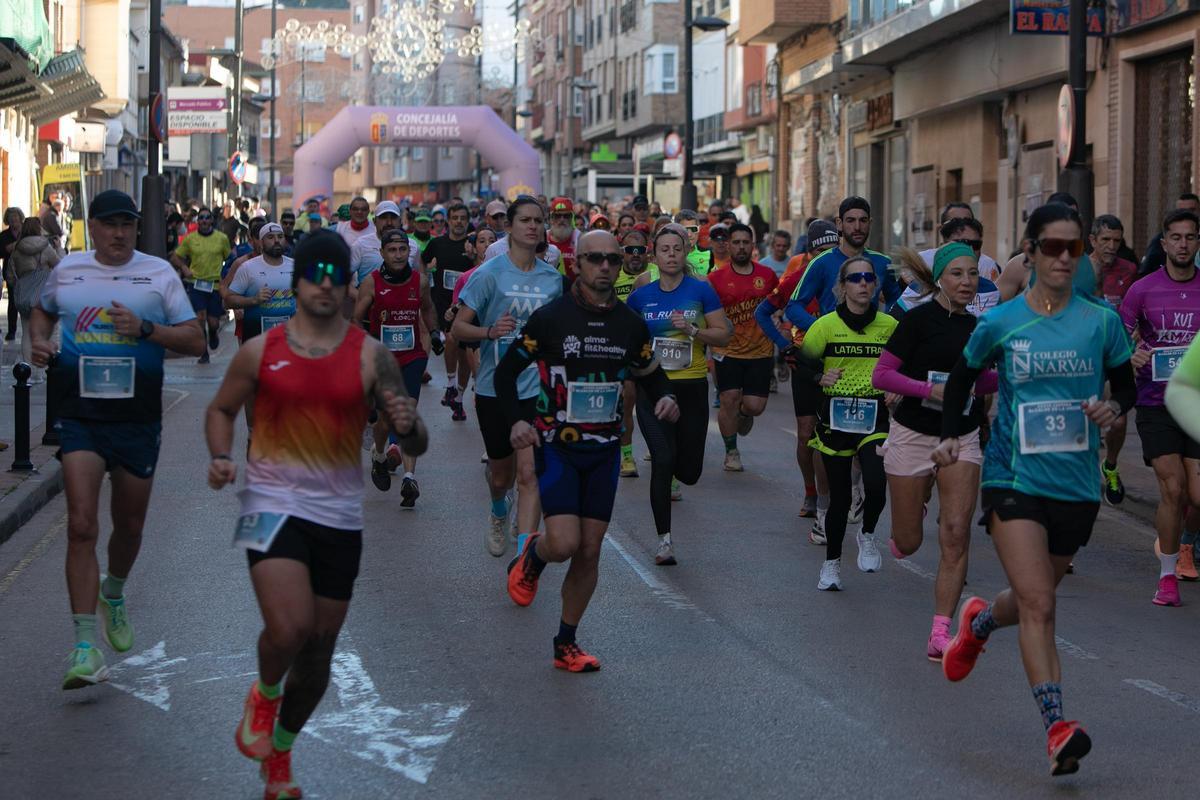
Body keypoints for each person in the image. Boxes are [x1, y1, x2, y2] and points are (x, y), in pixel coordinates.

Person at [206, 229, 427, 800]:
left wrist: (408, 425)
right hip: (269, 506)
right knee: (289, 628)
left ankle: (281, 750)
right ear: (298, 282)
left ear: (348, 285)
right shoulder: (261, 351)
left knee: (319, 649)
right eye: (314, 275)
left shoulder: (371, 356)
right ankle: (263, 694)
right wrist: (222, 456)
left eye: (336, 277)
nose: (326, 286)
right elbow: (222, 409)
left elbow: (416, 439)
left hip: (338, 518)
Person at [933, 202, 1136, 777]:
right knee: (1041, 604)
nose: (1064, 257)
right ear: (1030, 251)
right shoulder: (1001, 321)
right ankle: (1057, 728)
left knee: (1032, 596)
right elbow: (962, 380)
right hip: (1013, 477)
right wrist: (949, 437)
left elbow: (1124, 383)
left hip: (1076, 483)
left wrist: (1114, 408)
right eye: (1053, 246)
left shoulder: (1101, 322)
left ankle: (978, 623)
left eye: (1074, 247)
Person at [29, 190, 205, 690]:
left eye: (127, 224)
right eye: (109, 224)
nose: (119, 233)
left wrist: (146, 329)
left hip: (137, 420)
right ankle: (85, 646)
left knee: (128, 526)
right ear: (93, 227)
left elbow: (196, 339)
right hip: (81, 416)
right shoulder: (69, 270)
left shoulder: (158, 274)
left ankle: (114, 590)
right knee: (81, 525)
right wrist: (40, 341)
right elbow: (42, 310)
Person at [498, 230, 679, 671]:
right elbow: (506, 374)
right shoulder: (550, 319)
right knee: (563, 542)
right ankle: (533, 558)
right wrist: (518, 421)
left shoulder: (630, 324)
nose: (605, 266)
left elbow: (650, 371)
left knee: (590, 550)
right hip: (557, 446)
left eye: (612, 260)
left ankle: (566, 643)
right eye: (595, 258)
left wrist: (666, 396)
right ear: (576, 264)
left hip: (604, 450)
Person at [872, 244, 995, 660]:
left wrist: (1014, 373)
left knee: (956, 533)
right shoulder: (917, 320)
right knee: (907, 542)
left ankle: (941, 632)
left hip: (961, 435)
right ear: (940, 278)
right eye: (957, 273)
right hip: (913, 432)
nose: (966, 281)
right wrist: (930, 390)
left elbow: (983, 380)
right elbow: (882, 375)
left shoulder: (980, 327)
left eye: (973, 274)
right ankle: (916, 503)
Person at [451, 197, 565, 556]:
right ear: (510, 227)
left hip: (538, 388)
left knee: (530, 474)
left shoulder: (553, 280)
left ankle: (524, 560)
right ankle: (499, 509)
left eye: (538, 221)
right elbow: (457, 328)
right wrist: (489, 332)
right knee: (501, 476)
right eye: (524, 220)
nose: (532, 226)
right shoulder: (489, 274)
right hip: (495, 387)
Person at [627, 225, 731, 563]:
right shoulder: (640, 296)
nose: (671, 255)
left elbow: (724, 335)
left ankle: (678, 475)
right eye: (664, 249)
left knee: (689, 472)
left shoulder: (701, 291)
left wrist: (694, 330)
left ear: (685, 252)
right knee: (663, 459)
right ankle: (664, 541)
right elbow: (626, 339)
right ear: (654, 256)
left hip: (691, 388)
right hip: (653, 389)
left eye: (676, 249)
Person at [794, 256, 896, 590]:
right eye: (855, 278)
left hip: (874, 415)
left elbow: (905, 365)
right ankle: (832, 565)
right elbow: (803, 368)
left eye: (868, 277)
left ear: (876, 284)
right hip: (836, 417)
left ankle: (867, 533)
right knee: (839, 500)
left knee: (876, 484)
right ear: (842, 286)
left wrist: (897, 388)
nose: (863, 283)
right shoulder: (824, 326)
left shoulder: (889, 326)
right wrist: (820, 377)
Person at [1118, 208, 1200, 600]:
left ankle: (1184, 542)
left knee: (1196, 497)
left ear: (1198, 242)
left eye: (1190, 237)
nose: (1183, 244)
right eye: (1176, 237)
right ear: (1164, 242)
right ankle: (1167, 577)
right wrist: (1131, 354)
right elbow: (1117, 338)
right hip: (1156, 401)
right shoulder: (1142, 289)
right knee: (1173, 488)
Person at [755, 219, 840, 528]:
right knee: (807, 433)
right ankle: (811, 492)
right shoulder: (796, 279)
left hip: (843, 361)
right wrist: (785, 346)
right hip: (806, 361)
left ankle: (840, 492)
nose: (825, 257)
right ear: (807, 253)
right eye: (819, 252)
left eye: (832, 250)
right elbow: (762, 313)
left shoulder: (848, 274)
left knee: (841, 434)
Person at [353, 229, 440, 507]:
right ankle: (379, 454)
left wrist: (435, 332)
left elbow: (427, 308)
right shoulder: (371, 282)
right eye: (392, 250)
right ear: (382, 253)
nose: (398, 255)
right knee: (384, 421)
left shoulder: (419, 281)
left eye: (403, 249)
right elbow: (357, 319)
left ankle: (409, 478)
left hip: (412, 355)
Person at [704, 223, 779, 471]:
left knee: (755, 406)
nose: (741, 247)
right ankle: (731, 451)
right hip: (727, 350)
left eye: (745, 242)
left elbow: (779, 307)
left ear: (753, 246)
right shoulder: (715, 279)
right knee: (729, 399)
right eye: (736, 242)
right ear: (728, 245)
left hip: (760, 350)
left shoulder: (767, 276)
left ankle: (744, 414)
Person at [785, 197, 902, 332]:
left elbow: (895, 301)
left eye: (863, 220)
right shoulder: (821, 262)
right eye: (850, 220)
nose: (857, 227)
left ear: (870, 223)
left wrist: (885, 329)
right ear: (839, 224)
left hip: (871, 344)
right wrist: (822, 330)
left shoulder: (883, 262)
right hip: (832, 343)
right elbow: (793, 307)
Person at [1090, 214, 1138, 505]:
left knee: (1118, 422)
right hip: (1085, 354)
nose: (1111, 246)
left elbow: (1139, 308)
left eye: (1116, 241)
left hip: (1117, 354)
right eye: (1105, 239)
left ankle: (1110, 466)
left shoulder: (1129, 270)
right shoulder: (1079, 269)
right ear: (1092, 240)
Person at [422, 202, 474, 417]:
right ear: (448, 221)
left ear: (468, 221)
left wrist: (473, 256)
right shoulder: (436, 244)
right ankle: (451, 384)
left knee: (465, 355)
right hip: (445, 304)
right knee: (451, 339)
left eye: (463, 218)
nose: (459, 222)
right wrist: (426, 275)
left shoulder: (472, 244)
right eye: (455, 218)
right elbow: (421, 263)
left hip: (468, 304)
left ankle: (459, 397)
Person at [996, 194, 1097, 301]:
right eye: (1054, 246)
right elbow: (993, 305)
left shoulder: (1092, 266)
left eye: (1073, 216)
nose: (1065, 258)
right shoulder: (1019, 265)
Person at [893, 217, 1001, 317]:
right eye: (962, 244)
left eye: (976, 244)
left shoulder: (990, 290)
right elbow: (894, 325)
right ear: (943, 246)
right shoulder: (920, 288)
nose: (969, 250)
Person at [170, 207, 232, 363]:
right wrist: (184, 268)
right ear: (198, 221)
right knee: (200, 318)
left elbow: (229, 258)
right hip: (196, 283)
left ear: (211, 220)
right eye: (201, 218)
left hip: (214, 285)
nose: (204, 220)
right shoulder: (190, 239)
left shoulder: (222, 238)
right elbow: (175, 257)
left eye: (207, 217)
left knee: (213, 322)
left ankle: (213, 333)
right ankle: (204, 352)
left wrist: (226, 276)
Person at [614, 228, 651, 477]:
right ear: (622, 252)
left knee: (657, 405)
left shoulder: (656, 275)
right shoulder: (613, 275)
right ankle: (627, 456)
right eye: (630, 250)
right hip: (623, 349)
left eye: (640, 250)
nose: (635, 255)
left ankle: (659, 450)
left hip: (653, 349)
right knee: (627, 402)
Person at [222, 223, 295, 343]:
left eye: (280, 236)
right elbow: (227, 302)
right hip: (256, 339)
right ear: (261, 242)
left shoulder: (295, 266)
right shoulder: (247, 268)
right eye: (270, 237)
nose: (277, 240)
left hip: (290, 339)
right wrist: (254, 300)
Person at [10, 217, 62, 381]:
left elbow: (10, 276)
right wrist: (59, 248)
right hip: (44, 296)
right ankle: (44, 370)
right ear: (38, 229)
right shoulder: (46, 247)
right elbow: (59, 266)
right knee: (49, 332)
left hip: (25, 297)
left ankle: (27, 371)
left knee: (26, 333)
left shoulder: (17, 250)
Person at [917, 203, 1001, 281]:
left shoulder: (987, 265)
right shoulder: (922, 261)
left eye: (967, 221)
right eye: (954, 222)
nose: (963, 226)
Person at [1138, 193, 1200, 278]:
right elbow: (1146, 270)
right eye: (1176, 238)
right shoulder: (1158, 243)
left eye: (1192, 210)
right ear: (1164, 244)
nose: (1183, 244)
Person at [1, 207, 25, 341]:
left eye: (15, 217)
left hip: (26, 270)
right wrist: (7, 249)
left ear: (20, 217)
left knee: (28, 301)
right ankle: (12, 331)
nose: (13, 219)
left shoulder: (26, 232)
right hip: (11, 272)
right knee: (13, 302)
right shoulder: (4, 235)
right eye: (10, 218)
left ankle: (30, 330)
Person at [546, 197, 582, 280]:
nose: (562, 220)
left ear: (571, 218)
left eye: (566, 216)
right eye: (557, 216)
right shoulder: (543, 238)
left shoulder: (579, 238)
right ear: (551, 218)